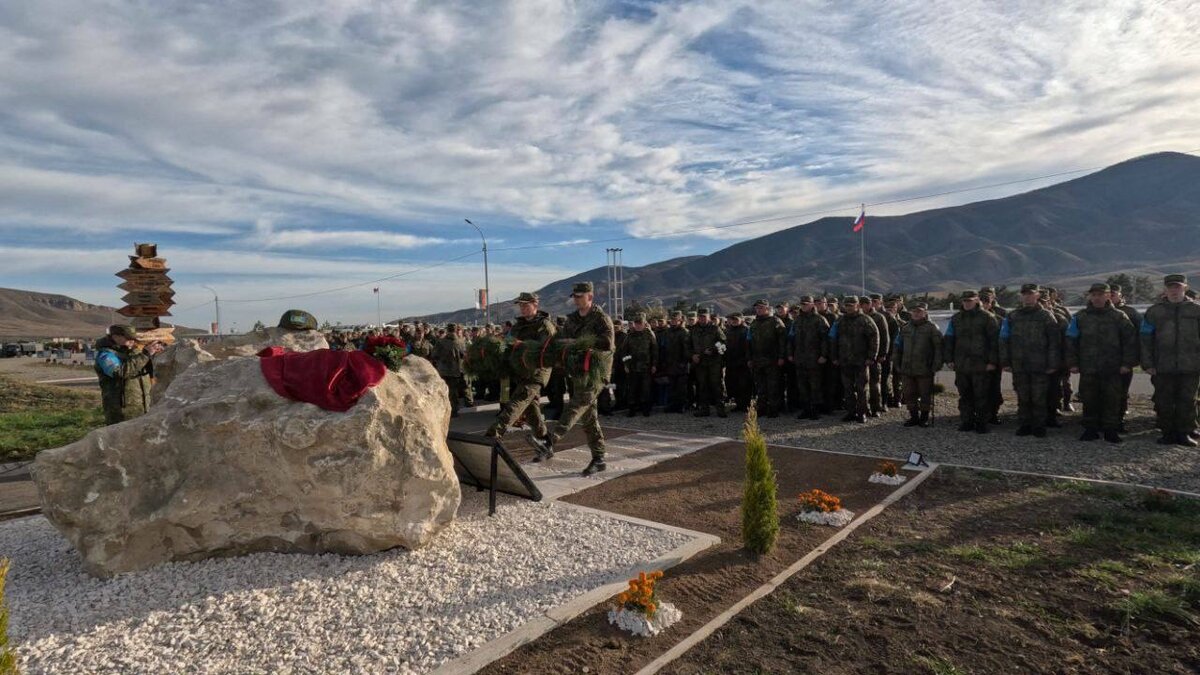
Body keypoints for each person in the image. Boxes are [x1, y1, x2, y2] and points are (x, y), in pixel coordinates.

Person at [531, 282, 615, 476]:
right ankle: (599, 458)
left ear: (590, 297)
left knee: (575, 406)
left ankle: (549, 441)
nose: (576, 299)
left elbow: (608, 343)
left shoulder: (601, 319)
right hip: (577, 371)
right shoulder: (572, 319)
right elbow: (561, 339)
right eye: (575, 296)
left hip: (596, 373)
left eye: (580, 296)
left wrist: (578, 343)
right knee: (588, 417)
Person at [1067, 283, 1137, 443]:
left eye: (1101, 294)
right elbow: (1071, 341)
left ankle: (1110, 430)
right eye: (1094, 295)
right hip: (1088, 367)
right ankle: (1090, 429)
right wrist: (1072, 362)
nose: (1097, 298)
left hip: (1113, 368)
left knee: (1112, 399)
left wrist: (1127, 363)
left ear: (1108, 296)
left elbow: (1130, 341)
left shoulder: (1119, 316)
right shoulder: (1080, 317)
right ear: (1090, 296)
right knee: (1089, 399)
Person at [1140, 274, 1200, 447]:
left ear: (1185, 288)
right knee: (1164, 400)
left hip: (1191, 364)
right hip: (1162, 365)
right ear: (1165, 289)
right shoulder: (1154, 311)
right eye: (1171, 287)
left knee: (1187, 400)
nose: (1174, 291)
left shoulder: (1196, 310)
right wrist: (1148, 363)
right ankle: (1167, 432)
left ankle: (1184, 433)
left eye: (1178, 287)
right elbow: (1145, 339)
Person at [486, 293, 556, 438]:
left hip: (537, 371)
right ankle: (543, 437)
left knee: (517, 403)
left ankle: (494, 433)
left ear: (535, 305)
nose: (523, 308)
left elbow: (547, 349)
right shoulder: (519, 325)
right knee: (531, 408)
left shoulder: (545, 325)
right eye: (521, 305)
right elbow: (510, 343)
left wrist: (522, 345)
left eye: (526, 305)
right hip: (521, 371)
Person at [998, 284, 1061, 437]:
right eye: (1025, 294)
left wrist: (1053, 363)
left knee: (1039, 397)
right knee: (1023, 396)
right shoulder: (1013, 316)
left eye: (1031, 294)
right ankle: (1025, 424)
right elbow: (1004, 339)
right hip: (1019, 364)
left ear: (1037, 295)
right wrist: (1005, 362)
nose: (1027, 297)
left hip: (1040, 364)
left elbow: (1054, 341)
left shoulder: (1046, 315)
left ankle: (1039, 426)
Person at [944, 290, 1000, 433]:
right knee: (965, 395)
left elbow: (995, 341)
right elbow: (949, 339)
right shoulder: (956, 319)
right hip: (962, 364)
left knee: (982, 395)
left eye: (970, 301)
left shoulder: (987, 317)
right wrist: (949, 359)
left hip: (981, 364)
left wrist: (993, 361)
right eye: (965, 301)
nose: (967, 303)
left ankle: (982, 422)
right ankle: (967, 421)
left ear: (976, 301)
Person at [95, 325, 163, 425]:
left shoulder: (133, 353)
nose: (132, 341)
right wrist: (145, 355)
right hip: (121, 412)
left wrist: (155, 354)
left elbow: (146, 371)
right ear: (115, 337)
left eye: (133, 338)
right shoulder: (106, 355)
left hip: (142, 408)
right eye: (128, 338)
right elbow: (120, 372)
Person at [830, 296, 879, 423]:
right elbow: (834, 339)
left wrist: (871, 357)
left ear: (857, 305)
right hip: (845, 360)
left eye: (851, 305)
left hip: (861, 361)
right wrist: (834, 356)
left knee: (862, 389)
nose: (849, 307)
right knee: (848, 389)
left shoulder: (865, 320)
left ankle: (862, 413)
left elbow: (874, 338)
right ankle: (851, 412)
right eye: (847, 305)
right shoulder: (840, 321)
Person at [893, 303, 942, 427]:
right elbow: (898, 346)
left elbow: (939, 348)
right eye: (914, 311)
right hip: (907, 367)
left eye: (919, 311)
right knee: (909, 393)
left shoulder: (932, 328)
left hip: (925, 367)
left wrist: (936, 364)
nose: (916, 313)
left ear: (925, 312)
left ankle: (924, 417)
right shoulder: (905, 328)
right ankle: (913, 417)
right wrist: (896, 362)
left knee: (925, 394)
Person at [789, 295, 829, 420]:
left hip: (815, 358)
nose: (804, 306)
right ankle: (806, 409)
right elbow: (791, 339)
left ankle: (815, 410)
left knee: (815, 385)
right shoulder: (797, 320)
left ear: (812, 305)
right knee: (802, 385)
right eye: (802, 304)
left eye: (806, 304)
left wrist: (824, 355)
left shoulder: (819, 320)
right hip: (800, 358)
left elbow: (826, 340)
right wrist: (790, 354)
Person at [747, 299, 787, 417]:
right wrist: (749, 358)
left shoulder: (775, 321)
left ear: (767, 308)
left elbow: (783, 341)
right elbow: (749, 342)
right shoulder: (754, 324)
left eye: (761, 308)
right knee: (760, 386)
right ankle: (762, 408)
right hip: (758, 360)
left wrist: (781, 356)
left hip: (772, 359)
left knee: (773, 385)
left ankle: (774, 409)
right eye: (757, 308)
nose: (758, 310)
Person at [1111, 284, 1142, 431]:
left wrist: (1131, 361)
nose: (1110, 296)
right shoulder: (1089, 313)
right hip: (1098, 361)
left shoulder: (1131, 313)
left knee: (1121, 392)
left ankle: (1119, 420)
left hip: (1123, 360)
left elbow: (1138, 338)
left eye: (1113, 293)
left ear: (1120, 295)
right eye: (1108, 293)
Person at [690, 308, 727, 417]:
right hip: (700, 363)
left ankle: (720, 409)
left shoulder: (715, 328)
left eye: (704, 316)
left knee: (716, 385)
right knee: (702, 386)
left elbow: (724, 344)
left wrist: (713, 350)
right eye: (700, 316)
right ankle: (704, 409)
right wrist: (692, 355)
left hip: (714, 362)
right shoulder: (693, 330)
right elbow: (688, 346)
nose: (702, 318)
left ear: (708, 317)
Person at [618, 313, 658, 416]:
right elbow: (624, 351)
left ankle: (646, 409)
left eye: (640, 323)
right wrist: (626, 364)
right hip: (633, 367)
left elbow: (654, 351)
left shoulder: (650, 334)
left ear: (644, 323)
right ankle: (632, 409)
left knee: (646, 389)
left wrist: (654, 365)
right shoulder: (629, 335)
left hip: (646, 367)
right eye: (636, 323)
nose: (638, 325)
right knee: (632, 389)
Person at [861, 295, 890, 417]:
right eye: (861, 304)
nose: (864, 306)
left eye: (866, 303)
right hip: (861, 357)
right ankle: (864, 408)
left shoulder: (879, 318)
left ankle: (876, 408)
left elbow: (884, 338)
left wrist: (882, 354)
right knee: (862, 385)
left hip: (875, 357)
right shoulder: (859, 318)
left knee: (874, 384)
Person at [432, 323, 468, 417]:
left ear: (447, 330)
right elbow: (464, 355)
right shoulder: (460, 342)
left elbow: (434, 355)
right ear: (456, 330)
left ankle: (443, 409)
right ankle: (454, 410)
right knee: (453, 392)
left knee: (443, 391)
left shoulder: (440, 342)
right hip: (455, 370)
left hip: (443, 370)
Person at [663, 311, 691, 413]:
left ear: (680, 320)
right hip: (670, 363)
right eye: (672, 320)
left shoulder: (684, 332)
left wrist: (684, 362)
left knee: (681, 387)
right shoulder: (668, 331)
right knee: (672, 386)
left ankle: (681, 405)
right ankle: (672, 405)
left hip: (681, 364)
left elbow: (687, 349)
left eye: (675, 320)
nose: (673, 321)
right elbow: (665, 347)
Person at [723, 313, 752, 412]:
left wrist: (748, 359)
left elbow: (750, 346)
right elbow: (723, 344)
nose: (734, 321)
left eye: (736, 319)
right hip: (731, 362)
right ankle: (739, 404)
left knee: (744, 384)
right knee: (733, 384)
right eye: (732, 319)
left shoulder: (746, 330)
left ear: (741, 319)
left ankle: (746, 405)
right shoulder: (728, 331)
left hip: (743, 362)